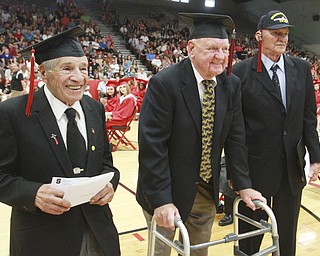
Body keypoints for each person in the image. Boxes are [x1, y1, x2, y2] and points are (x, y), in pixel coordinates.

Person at [136, 13, 266, 256]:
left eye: (224, 49)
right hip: (167, 187)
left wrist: (244, 185)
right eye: (212, 48)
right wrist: (162, 200)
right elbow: (153, 145)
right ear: (191, 49)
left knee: (199, 251)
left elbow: (236, 138)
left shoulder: (231, 84)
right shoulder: (165, 83)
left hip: (205, 189)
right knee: (162, 251)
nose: (220, 56)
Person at [0, 26, 121, 256]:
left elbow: (106, 162)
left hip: (98, 232)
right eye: (67, 68)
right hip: (43, 239)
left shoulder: (94, 108)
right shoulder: (13, 113)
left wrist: (110, 184)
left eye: (83, 68)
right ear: (44, 73)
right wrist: (33, 194)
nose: (78, 77)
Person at [232, 10, 320, 256]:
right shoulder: (241, 72)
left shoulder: (300, 68)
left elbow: (307, 116)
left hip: (291, 170)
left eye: (285, 33)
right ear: (259, 35)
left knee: (286, 239)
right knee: (249, 240)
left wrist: (315, 157)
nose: (282, 38)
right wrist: (238, 177)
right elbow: (235, 130)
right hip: (255, 173)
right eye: (275, 33)